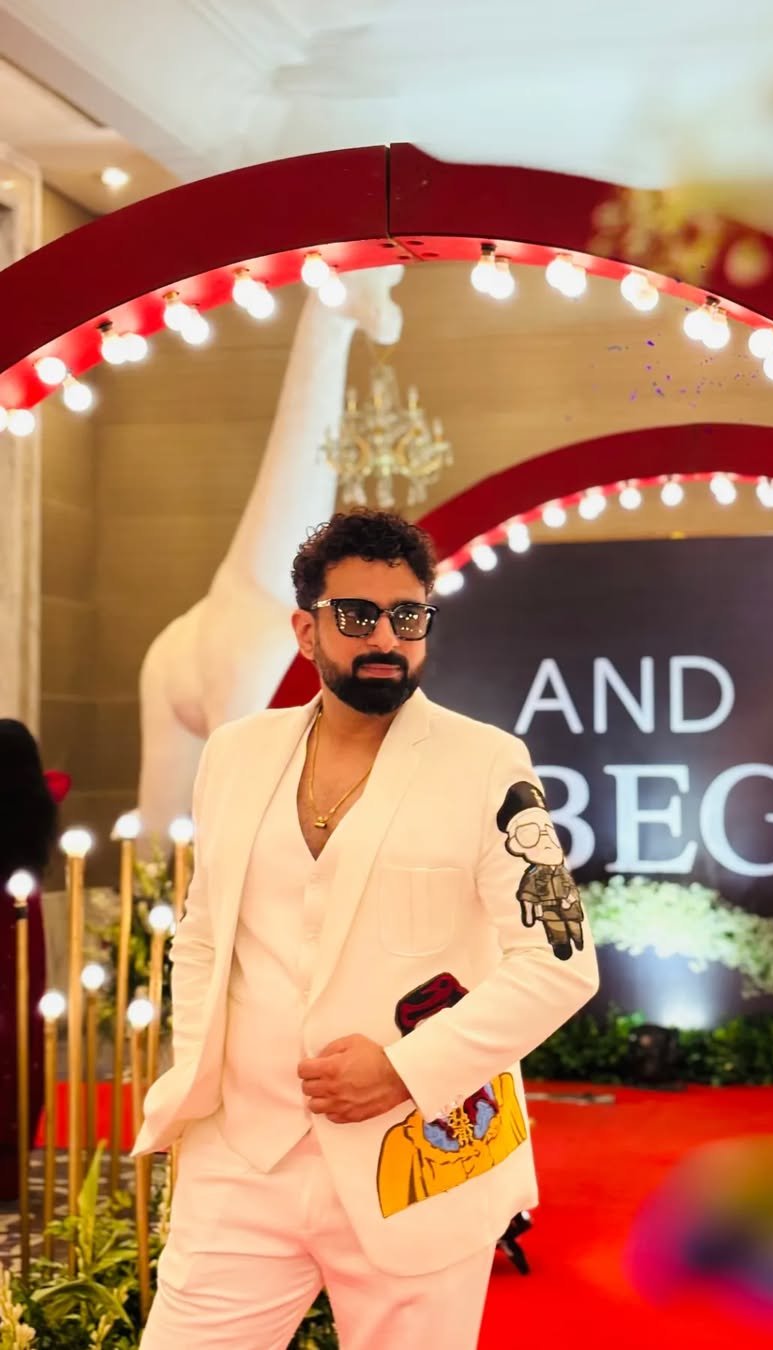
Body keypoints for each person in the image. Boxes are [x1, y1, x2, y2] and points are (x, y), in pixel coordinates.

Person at [134, 508, 599, 1350]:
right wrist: (201, 1079)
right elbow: (202, 938)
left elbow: (559, 965)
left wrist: (403, 1070)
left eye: (407, 616)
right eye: (356, 615)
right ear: (305, 629)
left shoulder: (487, 763)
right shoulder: (235, 754)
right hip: (241, 1163)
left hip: (422, 1161)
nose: (385, 637)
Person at [0, 720, 66, 1200]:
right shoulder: (39, 803)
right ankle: (10, 1166)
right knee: (21, 1032)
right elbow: (59, 780)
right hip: (23, 917)